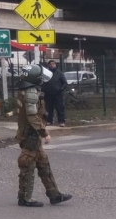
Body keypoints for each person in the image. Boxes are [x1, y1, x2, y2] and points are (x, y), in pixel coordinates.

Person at [15, 65, 74, 208]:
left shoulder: (28, 91)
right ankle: (25, 198)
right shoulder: (30, 93)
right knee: (28, 165)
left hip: (32, 135)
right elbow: (32, 116)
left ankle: (54, 195)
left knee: (43, 164)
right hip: (31, 135)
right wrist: (44, 132)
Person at [42, 60, 67, 127]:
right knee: (49, 108)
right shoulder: (46, 73)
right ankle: (49, 120)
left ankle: (61, 121)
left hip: (58, 94)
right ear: (48, 65)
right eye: (50, 64)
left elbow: (64, 83)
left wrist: (61, 89)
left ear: (55, 65)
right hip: (48, 94)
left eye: (53, 64)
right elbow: (42, 82)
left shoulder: (59, 73)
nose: (52, 65)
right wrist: (44, 89)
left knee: (60, 107)